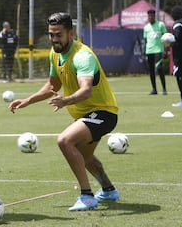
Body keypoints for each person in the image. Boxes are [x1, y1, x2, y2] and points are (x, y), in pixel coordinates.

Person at [9, 12, 119, 211]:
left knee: (64, 141)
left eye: (58, 34)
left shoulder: (82, 56)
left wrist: (66, 101)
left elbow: (86, 90)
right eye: (51, 34)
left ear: (71, 33)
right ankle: (109, 190)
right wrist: (27, 100)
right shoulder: (55, 54)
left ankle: (87, 196)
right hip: (86, 115)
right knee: (85, 157)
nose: (54, 39)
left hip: (103, 113)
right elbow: (52, 86)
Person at [143, 9, 168, 95]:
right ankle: (154, 89)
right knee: (151, 71)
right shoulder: (146, 27)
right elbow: (145, 40)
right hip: (149, 51)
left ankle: (164, 89)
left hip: (158, 50)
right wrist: (144, 51)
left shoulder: (161, 25)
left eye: (152, 16)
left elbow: (166, 38)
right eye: (149, 16)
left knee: (159, 69)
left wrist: (165, 50)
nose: (150, 17)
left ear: (154, 16)